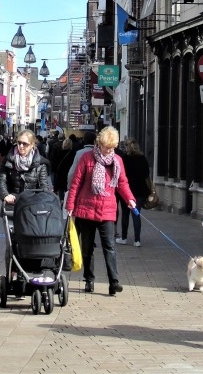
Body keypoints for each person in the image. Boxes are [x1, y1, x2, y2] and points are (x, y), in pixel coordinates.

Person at [66, 126, 136, 296]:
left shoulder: (117, 161)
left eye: (112, 148)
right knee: (87, 248)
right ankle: (89, 279)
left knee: (109, 247)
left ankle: (114, 282)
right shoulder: (87, 158)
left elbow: (122, 183)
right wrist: (70, 206)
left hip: (107, 210)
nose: (108, 151)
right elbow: (76, 182)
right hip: (86, 209)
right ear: (99, 143)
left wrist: (130, 200)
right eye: (106, 147)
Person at [0, 129, 51, 204]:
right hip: (13, 204)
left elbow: (44, 186)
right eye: (19, 142)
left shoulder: (40, 163)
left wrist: (42, 200)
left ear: (32, 145)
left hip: (32, 206)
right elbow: (0, 181)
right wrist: (5, 195)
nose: (21, 146)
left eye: (25, 143)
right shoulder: (8, 160)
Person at [116, 139, 150, 247]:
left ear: (128, 148)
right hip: (139, 191)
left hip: (126, 191)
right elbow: (146, 174)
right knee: (136, 214)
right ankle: (137, 240)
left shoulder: (125, 159)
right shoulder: (142, 158)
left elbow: (120, 174)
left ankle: (124, 237)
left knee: (125, 214)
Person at [53, 138, 76, 203]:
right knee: (68, 188)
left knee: (61, 188)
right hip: (69, 173)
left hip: (60, 173)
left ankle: (61, 200)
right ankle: (67, 200)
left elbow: (56, 163)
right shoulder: (73, 153)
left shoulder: (59, 152)